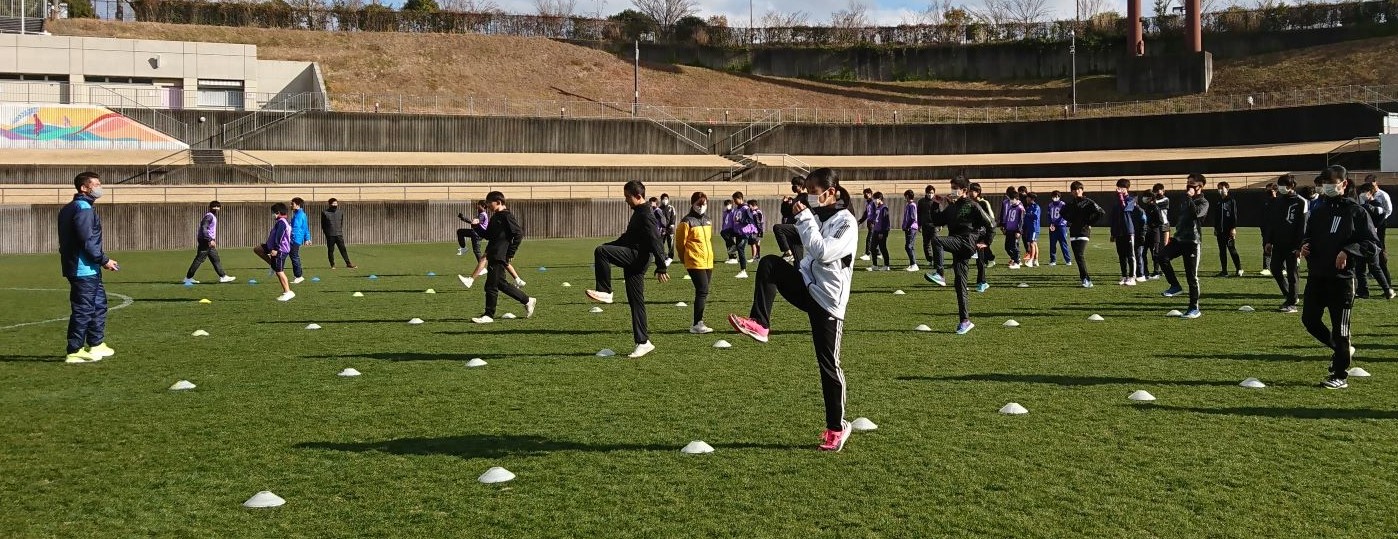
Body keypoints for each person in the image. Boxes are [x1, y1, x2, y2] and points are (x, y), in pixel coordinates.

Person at [727, 168, 857, 452]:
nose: (809, 197)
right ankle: (761, 323)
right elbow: (803, 239)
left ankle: (837, 427)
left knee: (828, 366)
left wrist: (804, 216)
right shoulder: (820, 216)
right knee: (770, 264)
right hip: (808, 286)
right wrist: (794, 210)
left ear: (831, 192)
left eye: (813, 192)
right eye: (806, 191)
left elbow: (822, 251)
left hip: (828, 301)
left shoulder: (846, 222)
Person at [1300, 166, 1379, 389]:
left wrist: (1348, 250)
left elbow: (1372, 245)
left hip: (1342, 280)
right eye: (1324, 182)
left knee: (1341, 329)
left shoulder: (1356, 212)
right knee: (1310, 320)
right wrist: (1305, 246)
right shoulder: (1319, 210)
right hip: (1317, 276)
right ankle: (1340, 351)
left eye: (1331, 182)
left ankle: (1340, 374)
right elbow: (1310, 236)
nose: (1327, 186)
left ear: (1343, 184)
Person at [586, 180, 670, 358]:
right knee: (636, 302)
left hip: (637, 257)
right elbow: (627, 238)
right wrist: (610, 245)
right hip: (635, 257)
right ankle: (643, 342)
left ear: (638, 196)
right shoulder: (638, 212)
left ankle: (606, 291)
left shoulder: (645, 213)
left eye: (627, 197)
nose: (626, 201)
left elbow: (655, 239)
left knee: (601, 251)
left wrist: (662, 265)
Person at [58, 172, 119, 363]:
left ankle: (96, 343)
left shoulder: (71, 208)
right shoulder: (83, 209)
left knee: (99, 305)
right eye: (96, 184)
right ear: (84, 188)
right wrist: (104, 260)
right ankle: (74, 350)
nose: (100, 187)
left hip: (88, 268)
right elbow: (87, 241)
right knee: (84, 309)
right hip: (82, 268)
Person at [924, 175, 995, 334]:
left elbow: (990, 224)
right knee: (960, 284)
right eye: (952, 187)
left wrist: (987, 242)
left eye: (955, 188)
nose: (952, 191)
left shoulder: (972, 205)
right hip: (957, 243)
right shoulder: (952, 206)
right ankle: (965, 321)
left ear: (964, 190)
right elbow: (937, 221)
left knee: (937, 240)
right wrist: (936, 204)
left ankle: (940, 273)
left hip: (966, 241)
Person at [470, 191, 535, 324]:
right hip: (493, 253)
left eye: (489, 203)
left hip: (500, 254)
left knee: (490, 286)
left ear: (498, 202)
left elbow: (518, 234)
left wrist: (510, 253)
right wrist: (476, 226)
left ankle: (489, 315)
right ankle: (527, 300)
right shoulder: (495, 217)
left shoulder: (506, 216)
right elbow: (488, 235)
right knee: (501, 284)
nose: (487, 206)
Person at [1159, 174, 1210, 319]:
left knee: (1191, 277)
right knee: (1161, 257)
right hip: (1179, 239)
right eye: (1187, 183)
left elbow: (1197, 215)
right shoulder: (1184, 199)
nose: (1189, 186)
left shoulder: (1203, 202)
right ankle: (1175, 286)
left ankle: (1194, 308)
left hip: (1192, 242)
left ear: (1200, 186)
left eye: (1192, 184)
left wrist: (1189, 199)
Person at [1264, 174, 1306, 312]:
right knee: (1275, 268)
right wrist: (1269, 241)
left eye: (1285, 185)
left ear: (1292, 186)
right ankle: (1290, 295)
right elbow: (1272, 223)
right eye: (1280, 184)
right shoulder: (1277, 201)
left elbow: (1302, 226)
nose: (1282, 188)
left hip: (1293, 244)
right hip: (1278, 243)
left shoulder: (1301, 202)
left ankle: (1291, 303)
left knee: (1292, 273)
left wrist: (1300, 246)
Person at [676, 192, 716, 334]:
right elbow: (680, 244)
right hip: (694, 261)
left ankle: (698, 321)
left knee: (703, 292)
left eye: (704, 203)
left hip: (708, 261)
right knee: (702, 290)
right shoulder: (686, 222)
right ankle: (697, 323)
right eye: (699, 204)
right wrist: (684, 259)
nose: (701, 207)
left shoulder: (708, 220)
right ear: (692, 204)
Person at [1356, 182, 1396, 300]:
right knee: (1360, 268)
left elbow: (1381, 215)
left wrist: (1374, 225)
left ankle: (1387, 289)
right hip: (1363, 239)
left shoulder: (1375, 205)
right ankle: (1363, 291)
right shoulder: (1364, 205)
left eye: (1364, 192)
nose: (1362, 195)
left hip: (1372, 241)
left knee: (1374, 267)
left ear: (1370, 193)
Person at [1062, 181, 1105, 288]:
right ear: (1071, 192)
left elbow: (1101, 212)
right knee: (1077, 256)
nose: (1077, 191)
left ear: (1082, 190)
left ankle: (1086, 279)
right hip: (1073, 232)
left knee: (1079, 255)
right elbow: (1062, 213)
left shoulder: (1088, 202)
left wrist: (1090, 222)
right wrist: (1071, 220)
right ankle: (1084, 278)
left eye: (1079, 189)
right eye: (1074, 190)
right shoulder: (1070, 204)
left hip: (1083, 232)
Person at [184, 200, 236, 285]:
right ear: (210, 207)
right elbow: (204, 228)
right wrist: (209, 240)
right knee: (199, 259)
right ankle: (188, 278)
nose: (216, 208)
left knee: (215, 259)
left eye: (218, 207)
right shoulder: (209, 216)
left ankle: (223, 277)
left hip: (207, 240)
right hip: (206, 241)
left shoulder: (212, 216)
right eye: (214, 206)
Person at [253, 202, 296, 302]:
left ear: (278, 212)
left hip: (280, 250)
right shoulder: (281, 222)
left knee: (279, 271)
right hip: (271, 247)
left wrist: (276, 249)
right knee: (258, 249)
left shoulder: (282, 222)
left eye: (273, 213)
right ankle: (272, 265)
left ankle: (287, 292)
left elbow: (279, 236)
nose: (272, 215)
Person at [1108, 179, 1138, 286]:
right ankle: (1124, 276)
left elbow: (1125, 208)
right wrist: (1112, 233)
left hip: (1128, 231)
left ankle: (1132, 277)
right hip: (1119, 232)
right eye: (1118, 187)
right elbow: (1113, 218)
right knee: (1121, 255)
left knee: (1130, 255)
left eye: (1122, 187)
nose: (1119, 189)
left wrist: (1121, 197)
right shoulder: (1116, 202)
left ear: (1127, 188)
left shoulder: (1132, 199)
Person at [1363, 174, 1392, 283]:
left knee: (1380, 246)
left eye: (1370, 183)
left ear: (1376, 182)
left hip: (1379, 224)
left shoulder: (1383, 195)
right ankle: (1372, 268)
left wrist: (1378, 223)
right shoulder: (1366, 196)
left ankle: (1381, 265)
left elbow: (1388, 210)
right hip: (1369, 225)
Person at [969, 184, 996, 291]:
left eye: (973, 191)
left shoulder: (984, 203)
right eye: (970, 191)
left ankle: (982, 282)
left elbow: (991, 219)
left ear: (978, 192)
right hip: (971, 235)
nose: (971, 193)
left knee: (980, 260)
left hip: (981, 235)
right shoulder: (970, 203)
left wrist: (987, 239)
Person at [1141, 183, 1171, 280]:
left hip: (1164, 226)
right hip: (1154, 228)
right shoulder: (1152, 204)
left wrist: (1152, 199)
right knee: (1155, 249)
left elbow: (1157, 203)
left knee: (1162, 248)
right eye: (1156, 191)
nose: (1158, 192)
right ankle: (1154, 270)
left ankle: (1159, 270)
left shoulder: (1165, 200)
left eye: (1159, 190)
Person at [917, 185, 945, 282]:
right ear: (926, 192)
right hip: (925, 225)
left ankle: (936, 261)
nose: (930, 194)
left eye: (932, 193)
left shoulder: (936, 201)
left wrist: (940, 224)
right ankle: (930, 259)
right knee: (926, 243)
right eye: (928, 192)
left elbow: (940, 212)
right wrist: (919, 225)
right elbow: (918, 214)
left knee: (935, 243)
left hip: (934, 226)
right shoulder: (921, 202)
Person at [1213, 182, 1242, 277]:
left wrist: (1233, 228)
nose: (1220, 190)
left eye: (1222, 188)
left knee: (1232, 249)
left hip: (1228, 230)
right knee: (1222, 251)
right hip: (1220, 231)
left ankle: (1239, 269)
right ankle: (1224, 271)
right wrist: (1215, 228)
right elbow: (1216, 217)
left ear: (1227, 189)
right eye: (1218, 188)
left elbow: (1234, 215)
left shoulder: (1231, 200)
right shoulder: (1218, 201)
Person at [321, 198, 355, 269]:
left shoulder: (340, 212)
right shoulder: (325, 213)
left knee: (343, 249)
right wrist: (327, 233)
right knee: (330, 250)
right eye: (333, 203)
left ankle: (348, 263)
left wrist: (340, 230)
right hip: (330, 235)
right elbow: (323, 225)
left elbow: (341, 222)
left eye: (336, 203)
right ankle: (332, 264)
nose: (335, 205)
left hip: (339, 234)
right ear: (329, 204)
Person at [775, 177, 804, 260]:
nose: (793, 186)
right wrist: (784, 203)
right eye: (793, 184)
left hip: (798, 227)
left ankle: (787, 252)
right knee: (797, 259)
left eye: (795, 185)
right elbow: (785, 213)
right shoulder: (795, 199)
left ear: (801, 185)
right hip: (792, 228)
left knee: (778, 228)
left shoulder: (805, 197)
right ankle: (798, 268)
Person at [732, 192, 755, 278]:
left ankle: (743, 271)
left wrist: (740, 220)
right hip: (738, 232)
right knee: (739, 249)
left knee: (740, 249)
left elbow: (750, 220)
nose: (734, 201)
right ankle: (742, 270)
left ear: (740, 198)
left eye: (735, 199)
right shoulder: (737, 208)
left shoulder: (746, 208)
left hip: (744, 233)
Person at [289, 197, 311, 284]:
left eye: (292, 204)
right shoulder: (300, 214)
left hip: (295, 239)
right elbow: (305, 227)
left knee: (294, 256)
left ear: (298, 205)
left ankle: (298, 276)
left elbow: (296, 228)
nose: (291, 205)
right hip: (297, 238)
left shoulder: (299, 215)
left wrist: (291, 236)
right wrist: (307, 238)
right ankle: (297, 275)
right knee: (293, 256)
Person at [1047, 190, 1072, 266]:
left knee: (1063, 243)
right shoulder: (1050, 205)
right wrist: (1051, 223)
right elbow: (1048, 215)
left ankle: (1068, 260)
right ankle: (1053, 260)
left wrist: (1055, 223)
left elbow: (1063, 215)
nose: (1055, 198)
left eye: (1056, 196)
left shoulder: (1063, 204)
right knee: (1052, 244)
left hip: (1061, 226)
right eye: (1053, 196)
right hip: (1053, 226)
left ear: (1059, 197)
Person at [867, 192, 891, 271]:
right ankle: (875, 265)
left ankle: (886, 265)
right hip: (876, 230)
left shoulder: (884, 208)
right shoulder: (877, 208)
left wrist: (882, 232)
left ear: (880, 199)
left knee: (883, 248)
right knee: (872, 247)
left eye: (875, 199)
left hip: (882, 231)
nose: (874, 200)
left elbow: (885, 221)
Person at [1001, 191, 1025, 270]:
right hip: (1009, 230)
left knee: (1014, 247)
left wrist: (1019, 231)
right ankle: (1015, 259)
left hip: (1015, 231)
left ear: (1016, 199)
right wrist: (1004, 227)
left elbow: (1021, 220)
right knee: (1007, 247)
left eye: (1011, 199)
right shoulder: (1010, 207)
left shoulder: (1020, 208)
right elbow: (1007, 218)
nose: (1010, 201)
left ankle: (1017, 262)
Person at [1259, 183, 1277, 277]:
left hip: (1278, 229)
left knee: (1280, 248)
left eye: (1271, 190)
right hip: (1267, 229)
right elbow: (1263, 216)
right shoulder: (1265, 202)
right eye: (1267, 190)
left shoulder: (1280, 201)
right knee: (1266, 247)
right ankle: (1266, 268)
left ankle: (1283, 268)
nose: (1269, 192)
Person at [901, 189, 920, 271]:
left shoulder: (912, 205)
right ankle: (912, 263)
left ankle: (914, 264)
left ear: (907, 196)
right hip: (908, 228)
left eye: (905, 197)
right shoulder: (908, 205)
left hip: (911, 228)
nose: (905, 198)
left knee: (909, 246)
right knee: (909, 246)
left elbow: (913, 218)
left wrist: (907, 226)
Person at [1022, 192, 1041, 267]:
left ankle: (1031, 260)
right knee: (1034, 244)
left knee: (1032, 243)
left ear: (1032, 199)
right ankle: (1036, 260)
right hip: (1029, 228)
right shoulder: (1028, 207)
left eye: (1028, 197)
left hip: (1034, 228)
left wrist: (1026, 214)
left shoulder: (1036, 207)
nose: (1027, 199)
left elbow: (1035, 216)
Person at [659, 193, 677, 265]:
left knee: (671, 243)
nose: (665, 200)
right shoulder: (659, 209)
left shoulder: (671, 208)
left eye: (666, 199)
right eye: (663, 199)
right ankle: (664, 256)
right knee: (660, 244)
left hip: (670, 229)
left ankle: (671, 257)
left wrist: (672, 224)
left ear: (668, 200)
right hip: (662, 230)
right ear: (661, 200)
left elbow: (673, 216)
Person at [858, 188, 874, 261]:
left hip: (873, 224)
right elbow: (866, 214)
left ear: (871, 194)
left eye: (868, 193)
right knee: (874, 239)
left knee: (869, 238)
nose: (866, 194)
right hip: (870, 223)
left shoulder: (873, 202)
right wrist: (860, 221)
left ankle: (867, 254)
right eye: (865, 193)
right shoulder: (868, 203)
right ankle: (878, 253)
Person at [721, 199, 738, 264]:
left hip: (731, 229)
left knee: (731, 242)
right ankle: (730, 257)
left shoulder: (734, 212)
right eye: (726, 205)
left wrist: (734, 229)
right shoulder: (725, 212)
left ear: (731, 205)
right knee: (727, 243)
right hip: (725, 229)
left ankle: (734, 257)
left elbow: (734, 221)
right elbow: (724, 221)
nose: (727, 206)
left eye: (728, 204)